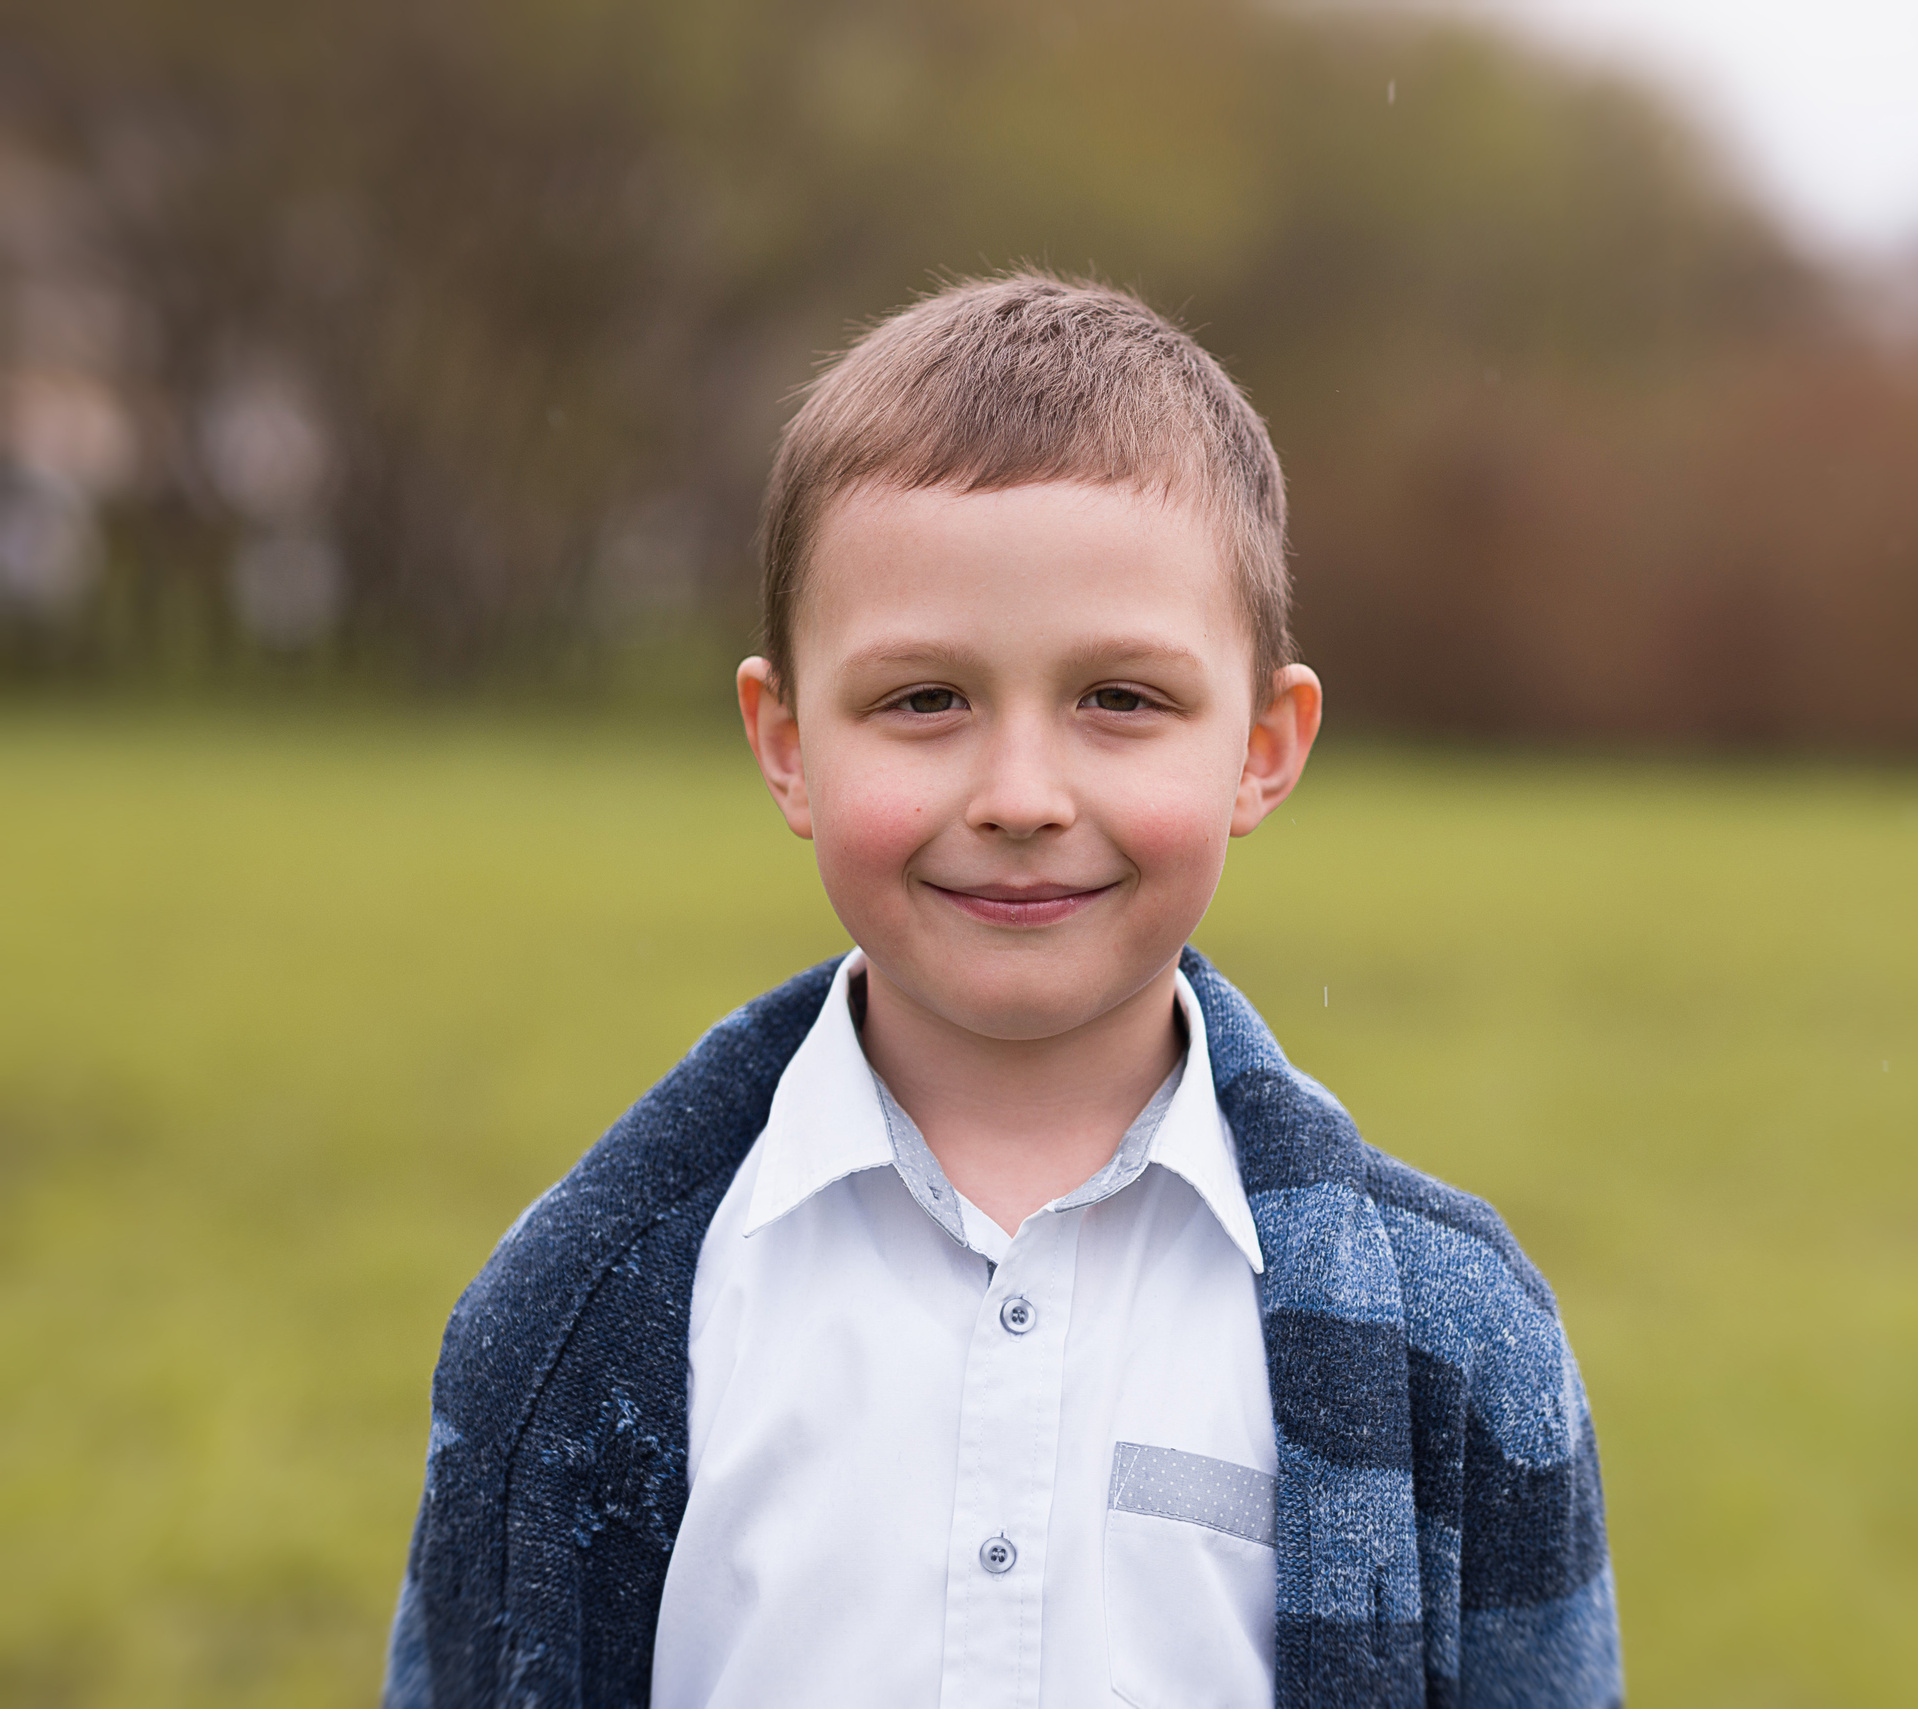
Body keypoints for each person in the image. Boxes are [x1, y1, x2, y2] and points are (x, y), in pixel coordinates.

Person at [384, 273, 1619, 1709]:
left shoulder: (1456, 1335)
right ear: (785, 741)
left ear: (1264, 747)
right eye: (924, 700)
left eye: (1120, 700)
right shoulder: (570, 1315)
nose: (1021, 796)